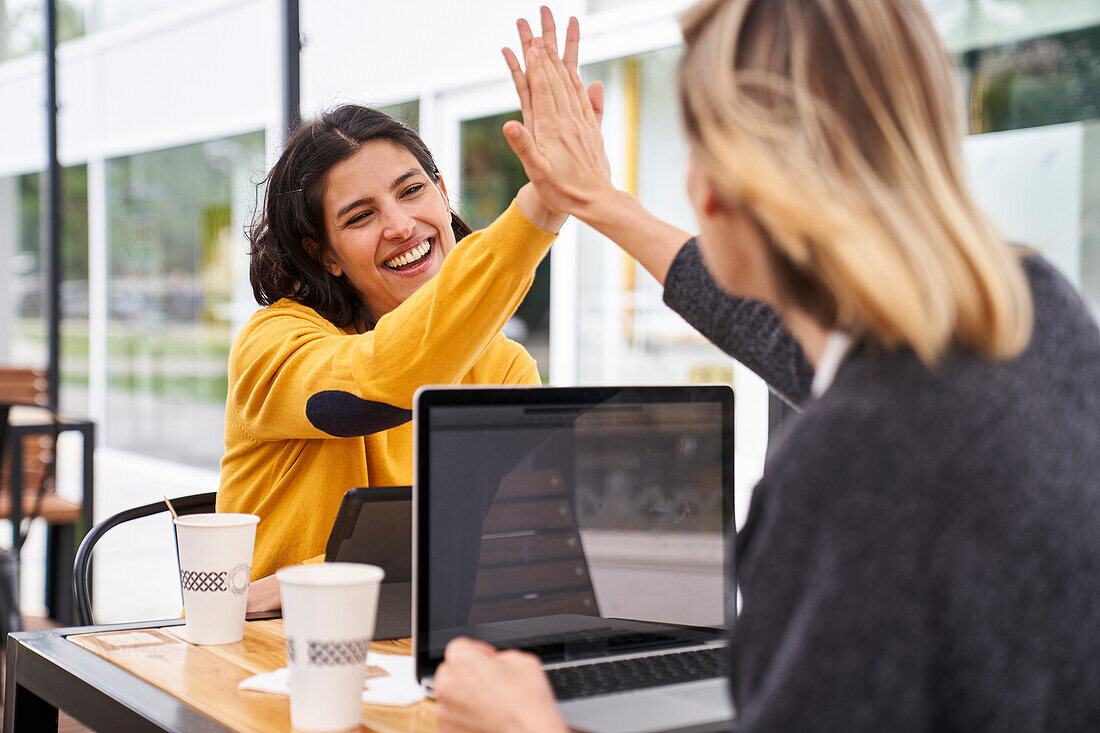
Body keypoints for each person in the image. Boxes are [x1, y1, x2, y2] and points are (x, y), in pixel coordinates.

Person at [434, 3, 1100, 731]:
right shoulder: (1034, 310)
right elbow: (793, 335)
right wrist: (603, 203)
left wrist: (529, 725)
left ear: (715, 189)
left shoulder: (842, 472)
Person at [216, 101, 599, 611]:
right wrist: (539, 210)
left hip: (423, 639)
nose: (400, 225)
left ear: (441, 194)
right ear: (324, 255)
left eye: (412, 190)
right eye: (360, 216)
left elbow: (513, 548)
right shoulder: (274, 344)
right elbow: (391, 379)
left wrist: (298, 579)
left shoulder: (504, 369)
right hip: (271, 650)